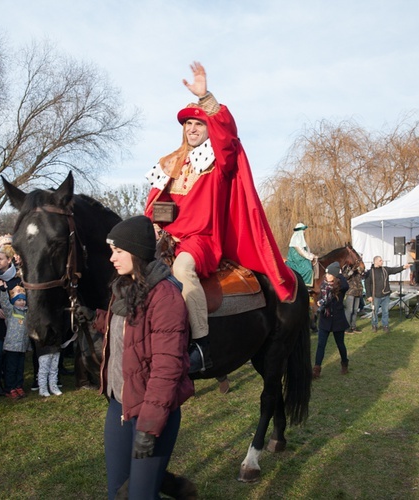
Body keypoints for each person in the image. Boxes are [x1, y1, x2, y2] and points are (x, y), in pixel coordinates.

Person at [144, 62, 296, 373]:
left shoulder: (218, 159)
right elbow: (152, 207)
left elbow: (228, 137)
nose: (192, 129)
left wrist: (207, 99)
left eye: (198, 124)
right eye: (187, 125)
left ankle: (200, 344)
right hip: (166, 240)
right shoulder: (169, 163)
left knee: (184, 271)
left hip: (200, 241)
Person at [101, 215, 194, 499]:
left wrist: (149, 427)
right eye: (111, 252)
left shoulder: (165, 296)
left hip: (151, 414)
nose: (111, 259)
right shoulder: (124, 287)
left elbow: (167, 369)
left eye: (118, 251)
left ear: (137, 251)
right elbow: (132, 331)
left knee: (140, 496)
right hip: (119, 405)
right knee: (119, 493)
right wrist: (96, 320)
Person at [0, 245, 20, 396]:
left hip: (14, 321)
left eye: (1, 259)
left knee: (11, 354)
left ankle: (11, 381)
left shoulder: (17, 278)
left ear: (9, 260)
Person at [313, 263, 350, 379]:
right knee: (321, 345)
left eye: (330, 273)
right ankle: (317, 369)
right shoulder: (324, 285)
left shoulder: (340, 286)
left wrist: (340, 274)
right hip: (325, 319)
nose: (327, 275)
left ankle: (344, 363)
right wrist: (319, 301)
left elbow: (346, 285)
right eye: (327, 273)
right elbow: (321, 297)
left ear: (334, 275)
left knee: (340, 344)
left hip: (337, 320)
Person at [364, 256, 410, 333]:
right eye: (380, 260)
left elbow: (394, 270)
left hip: (385, 295)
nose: (382, 262)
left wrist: (403, 267)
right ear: (375, 262)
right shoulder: (370, 272)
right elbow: (367, 284)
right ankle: (374, 325)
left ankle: (385, 325)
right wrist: (369, 296)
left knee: (385, 311)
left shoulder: (385, 269)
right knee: (374, 312)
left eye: (382, 260)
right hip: (375, 296)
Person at [0, 285, 29, 399]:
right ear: (13, 301)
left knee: (20, 368)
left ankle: (18, 386)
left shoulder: (27, 312)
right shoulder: (10, 311)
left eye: (23, 300)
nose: (21, 302)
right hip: (11, 346)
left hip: (22, 346)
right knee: (11, 368)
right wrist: (3, 291)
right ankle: (10, 388)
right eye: (18, 300)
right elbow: (4, 303)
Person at [286, 223, 318, 288]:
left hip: (300, 257)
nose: (304, 231)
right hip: (296, 259)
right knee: (308, 270)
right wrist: (311, 257)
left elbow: (306, 250)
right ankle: (305, 286)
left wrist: (312, 255)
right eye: (303, 230)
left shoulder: (301, 239)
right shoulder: (296, 239)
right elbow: (301, 252)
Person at [343, 260, 364, 334]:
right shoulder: (347, 267)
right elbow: (345, 277)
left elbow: (362, 274)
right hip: (350, 292)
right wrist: (352, 270)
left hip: (358, 292)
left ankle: (353, 326)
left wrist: (360, 270)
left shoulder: (358, 269)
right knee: (349, 310)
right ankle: (346, 327)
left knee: (355, 310)